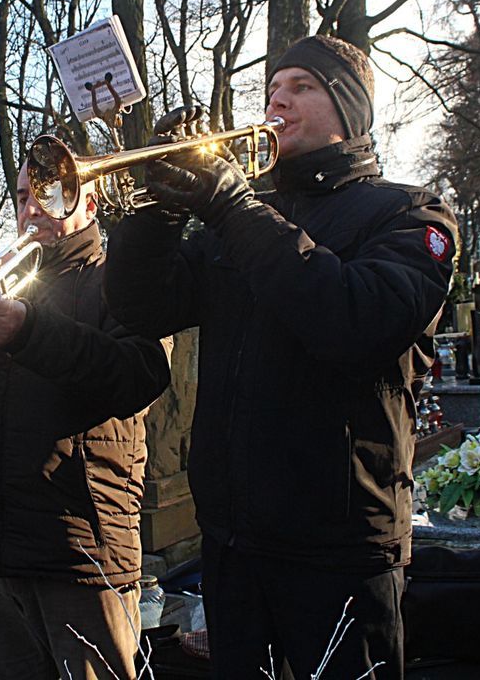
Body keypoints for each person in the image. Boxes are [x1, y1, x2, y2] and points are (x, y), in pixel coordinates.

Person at [103, 35, 458, 680]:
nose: (277, 99)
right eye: (273, 87)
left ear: (348, 110)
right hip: (235, 540)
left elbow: (354, 321)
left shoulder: (408, 212)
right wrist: (156, 207)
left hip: (340, 545)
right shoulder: (240, 214)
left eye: (302, 86)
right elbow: (142, 306)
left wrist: (234, 207)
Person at [0, 164, 170, 680]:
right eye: (25, 195)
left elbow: (136, 376)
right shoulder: (5, 281)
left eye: (54, 194)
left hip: (79, 550)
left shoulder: (120, 280)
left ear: (90, 206)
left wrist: (27, 331)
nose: (33, 208)